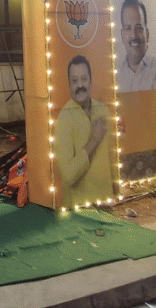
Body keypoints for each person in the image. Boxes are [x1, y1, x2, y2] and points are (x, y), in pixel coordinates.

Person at [54, 55, 117, 206]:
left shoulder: (102, 110)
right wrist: (94, 141)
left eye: (84, 79)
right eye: (75, 81)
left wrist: (115, 192)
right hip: (80, 208)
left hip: (106, 202)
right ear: (69, 85)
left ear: (91, 82)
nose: (80, 85)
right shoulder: (64, 118)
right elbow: (69, 176)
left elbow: (113, 158)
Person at [116, 0, 156, 92]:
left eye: (139, 28)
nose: (133, 35)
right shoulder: (115, 73)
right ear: (122, 35)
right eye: (128, 28)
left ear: (147, 33)